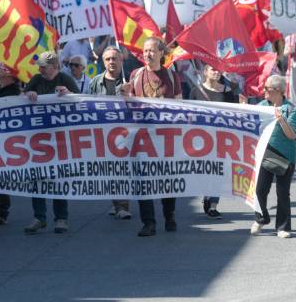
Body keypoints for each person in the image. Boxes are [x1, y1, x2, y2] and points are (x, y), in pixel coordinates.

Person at [124, 37, 182, 237]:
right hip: (142, 137)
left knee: (167, 180)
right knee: (143, 181)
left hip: (166, 138)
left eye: (151, 50)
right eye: (145, 50)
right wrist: (125, 95)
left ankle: (169, 215)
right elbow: (129, 103)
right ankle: (148, 222)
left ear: (161, 53)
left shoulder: (172, 77)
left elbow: (179, 106)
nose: (147, 54)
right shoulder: (136, 75)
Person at [23, 51, 80, 234]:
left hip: (60, 137)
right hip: (38, 137)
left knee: (58, 177)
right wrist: (28, 93)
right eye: (39, 66)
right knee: (37, 177)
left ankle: (61, 218)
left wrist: (69, 94)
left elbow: (81, 102)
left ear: (54, 66)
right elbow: (21, 99)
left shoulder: (66, 79)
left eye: (43, 66)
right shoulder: (36, 80)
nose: (40, 69)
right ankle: (39, 217)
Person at [251, 74, 296, 238]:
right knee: (260, 190)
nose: (264, 91)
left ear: (278, 91)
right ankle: (261, 218)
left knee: (282, 192)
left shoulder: (292, 109)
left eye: (267, 89)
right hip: (266, 155)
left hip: (285, 156)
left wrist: (281, 120)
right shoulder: (262, 106)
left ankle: (283, 227)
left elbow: (292, 135)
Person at [190, 63, 241, 219]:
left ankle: (213, 205)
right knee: (205, 171)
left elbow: (234, 115)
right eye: (213, 68)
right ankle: (207, 195)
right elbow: (190, 115)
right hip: (202, 139)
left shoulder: (228, 92)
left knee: (219, 171)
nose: (217, 71)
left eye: (218, 69)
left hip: (221, 138)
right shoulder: (195, 91)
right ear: (205, 72)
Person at [89, 46, 132, 220]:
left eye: (115, 58)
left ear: (122, 60)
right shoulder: (95, 82)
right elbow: (88, 105)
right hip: (104, 133)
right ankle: (117, 203)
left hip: (126, 133)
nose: (111, 62)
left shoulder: (129, 80)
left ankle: (122, 205)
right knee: (111, 170)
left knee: (122, 170)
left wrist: (130, 96)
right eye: (108, 59)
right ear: (103, 62)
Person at [0, 65, 21, 225]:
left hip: (7, 140)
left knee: (2, 175)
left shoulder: (15, 93)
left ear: (11, 76)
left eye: (5, 69)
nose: (1, 69)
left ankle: (1, 211)